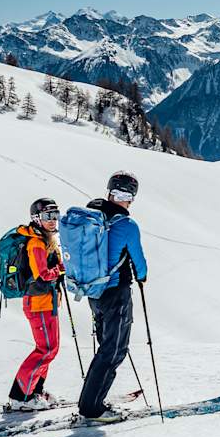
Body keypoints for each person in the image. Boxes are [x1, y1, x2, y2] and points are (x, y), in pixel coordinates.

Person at [77, 171, 149, 421]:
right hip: (116, 293)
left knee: (106, 347)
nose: (125, 200)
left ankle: (90, 401)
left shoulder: (88, 218)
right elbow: (138, 261)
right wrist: (142, 276)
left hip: (93, 292)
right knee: (114, 350)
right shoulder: (126, 225)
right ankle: (91, 408)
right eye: (125, 195)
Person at [8, 197, 65, 409]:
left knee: (50, 348)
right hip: (38, 302)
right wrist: (60, 270)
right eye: (48, 216)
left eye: (55, 215)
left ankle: (34, 390)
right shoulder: (36, 243)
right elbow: (42, 274)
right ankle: (21, 396)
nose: (53, 221)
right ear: (36, 218)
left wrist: (60, 266)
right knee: (46, 350)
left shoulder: (47, 240)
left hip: (47, 302)